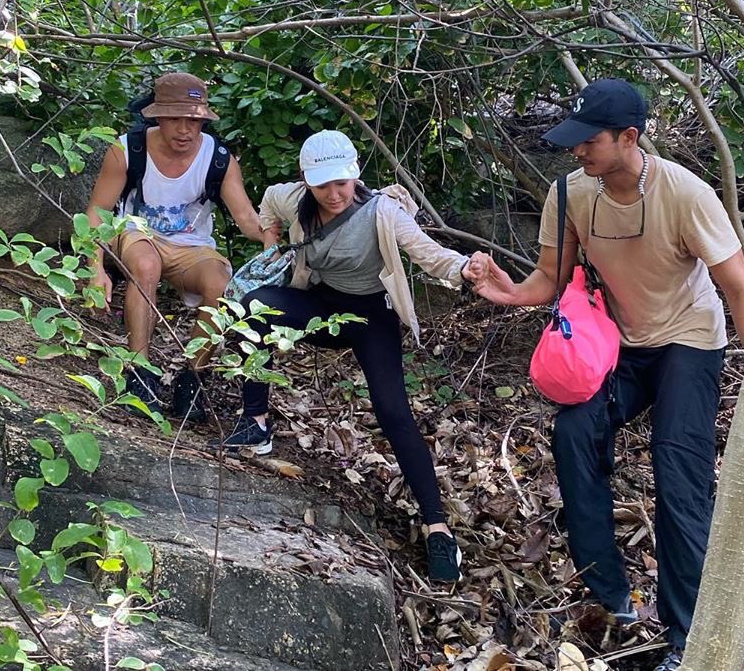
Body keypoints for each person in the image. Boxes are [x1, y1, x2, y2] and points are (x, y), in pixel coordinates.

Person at [469, 79, 744, 671]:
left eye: (589, 141)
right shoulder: (572, 192)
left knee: (677, 470)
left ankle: (687, 637)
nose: (578, 152)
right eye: (574, 142)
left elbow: (738, 288)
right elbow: (550, 279)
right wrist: (506, 292)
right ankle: (611, 598)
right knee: (574, 433)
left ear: (629, 138)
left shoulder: (684, 192)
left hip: (690, 340)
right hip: (623, 344)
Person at [217, 129, 481, 582]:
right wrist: (271, 241)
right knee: (250, 308)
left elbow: (428, 254)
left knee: (395, 413)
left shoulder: (383, 211)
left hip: (370, 316)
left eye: (341, 182)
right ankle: (255, 422)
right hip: (320, 305)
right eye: (323, 185)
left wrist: (464, 268)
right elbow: (268, 206)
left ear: (355, 174)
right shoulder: (291, 196)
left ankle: (437, 527)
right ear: (307, 180)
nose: (334, 194)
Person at [86, 72, 269, 421]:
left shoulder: (219, 158)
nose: (184, 130)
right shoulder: (127, 150)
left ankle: (193, 378)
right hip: (138, 233)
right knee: (145, 265)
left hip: (192, 245)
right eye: (174, 119)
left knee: (221, 284)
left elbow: (246, 217)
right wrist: (95, 268)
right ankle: (138, 370)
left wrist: (272, 234)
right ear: (156, 117)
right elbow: (97, 214)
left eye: (194, 120)